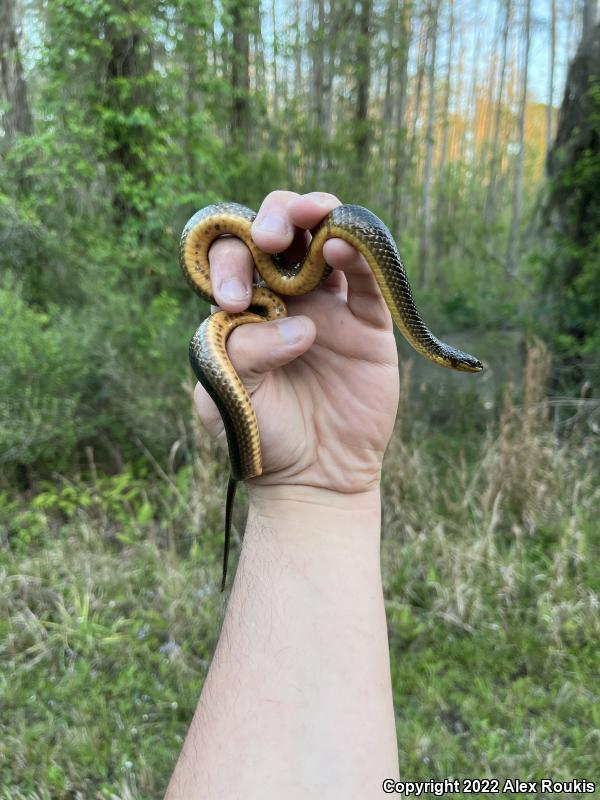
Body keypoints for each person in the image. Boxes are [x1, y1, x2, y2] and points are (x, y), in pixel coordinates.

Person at [165, 190, 400, 799]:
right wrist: (304, 495)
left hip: (326, 473)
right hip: (305, 467)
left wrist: (320, 494)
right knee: (270, 256)